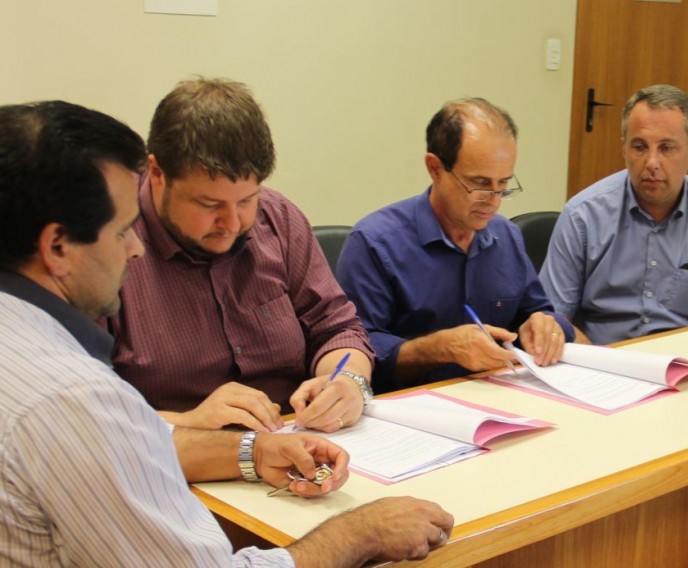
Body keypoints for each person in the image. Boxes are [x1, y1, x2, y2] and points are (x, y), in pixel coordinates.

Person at [0, 100, 452, 567]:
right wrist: (359, 533)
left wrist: (264, 444)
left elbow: (337, 324)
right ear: (57, 247)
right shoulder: (75, 398)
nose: (134, 248)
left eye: (247, 201)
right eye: (121, 232)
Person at [107, 77, 375, 433]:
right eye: (209, 204)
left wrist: (347, 381)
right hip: (177, 454)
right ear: (157, 173)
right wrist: (187, 421)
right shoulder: (108, 245)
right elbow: (80, 408)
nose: (232, 224)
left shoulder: (278, 218)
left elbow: (337, 328)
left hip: (297, 438)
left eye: (247, 200)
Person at [338, 97, 574, 390]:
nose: (494, 201)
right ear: (435, 168)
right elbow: (356, 348)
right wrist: (438, 348)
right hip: (413, 402)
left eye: (503, 184)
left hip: (500, 392)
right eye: (480, 184)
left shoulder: (505, 235)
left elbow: (537, 311)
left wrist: (545, 324)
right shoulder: (375, 242)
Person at [539, 85, 688, 346]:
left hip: (687, 361)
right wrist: (597, 357)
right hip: (602, 358)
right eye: (640, 147)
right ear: (624, 149)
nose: (652, 162)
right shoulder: (582, 216)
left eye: (667, 148)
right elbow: (551, 320)